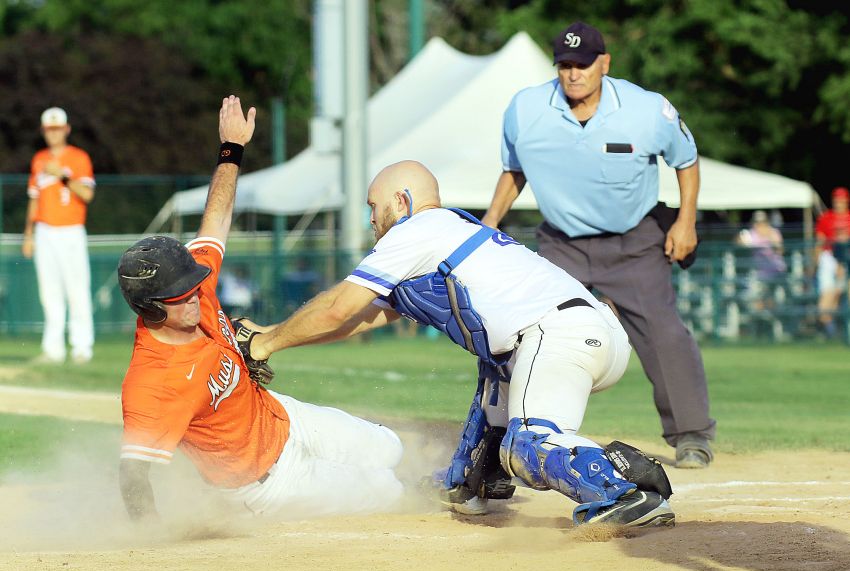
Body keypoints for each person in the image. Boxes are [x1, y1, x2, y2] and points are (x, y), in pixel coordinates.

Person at [241, 159, 676, 528]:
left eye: (373, 206)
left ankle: (621, 487)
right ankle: (473, 479)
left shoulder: (414, 232)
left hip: (556, 336)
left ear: (401, 201)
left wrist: (265, 344)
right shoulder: (446, 232)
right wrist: (273, 331)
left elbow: (338, 307)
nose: (371, 218)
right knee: (496, 368)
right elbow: (359, 318)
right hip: (573, 336)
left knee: (529, 445)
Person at [117, 96, 403, 522]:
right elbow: (133, 475)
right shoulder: (152, 382)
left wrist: (231, 150)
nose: (197, 295)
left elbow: (216, 217)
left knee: (390, 448)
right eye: (182, 296)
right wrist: (147, 541)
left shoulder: (197, 286)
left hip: (285, 416)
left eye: (196, 285)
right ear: (151, 309)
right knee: (390, 490)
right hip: (267, 483)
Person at [480, 22, 715, 468]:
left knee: (664, 333)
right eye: (565, 65)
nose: (573, 73)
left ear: (604, 63)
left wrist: (686, 223)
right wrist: (491, 222)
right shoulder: (526, 109)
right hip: (561, 243)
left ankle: (692, 436)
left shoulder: (647, 110)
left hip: (635, 242)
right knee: (519, 333)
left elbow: (686, 160)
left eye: (583, 64)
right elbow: (514, 171)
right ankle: (500, 438)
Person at [22, 107, 96, 364]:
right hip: (44, 231)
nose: (53, 133)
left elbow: (87, 195)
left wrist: (62, 176)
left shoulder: (78, 158)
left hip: (71, 230)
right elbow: (34, 199)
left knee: (77, 289)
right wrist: (28, 234)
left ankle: (81, 347)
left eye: (57, 129)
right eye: (49, 129)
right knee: (49, 291)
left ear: (66, 129)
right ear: (43, 131)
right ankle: (53, 349)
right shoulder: (38, 159)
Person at [814, 187, 850, 339]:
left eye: (841, 199)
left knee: (841, 294)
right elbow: (819, 242)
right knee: (827, 297)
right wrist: (814, 263)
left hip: (847, 258)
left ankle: (842, 332)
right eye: (836, 199)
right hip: (829, 257)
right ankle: (832, 333)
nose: (838, 202)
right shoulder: (826, 218)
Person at [736, 210, 787, 313]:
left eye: (762, 222)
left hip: (776, 273)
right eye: (757, 222)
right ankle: (761, 314)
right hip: (758, 274)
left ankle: (768, 312)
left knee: (775, 299)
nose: (759, 225)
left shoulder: (774, 233)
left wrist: (770, 238)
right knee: (749, 297)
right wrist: (741, 240)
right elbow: (738, 241)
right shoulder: (751, 234)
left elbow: (780, 250)